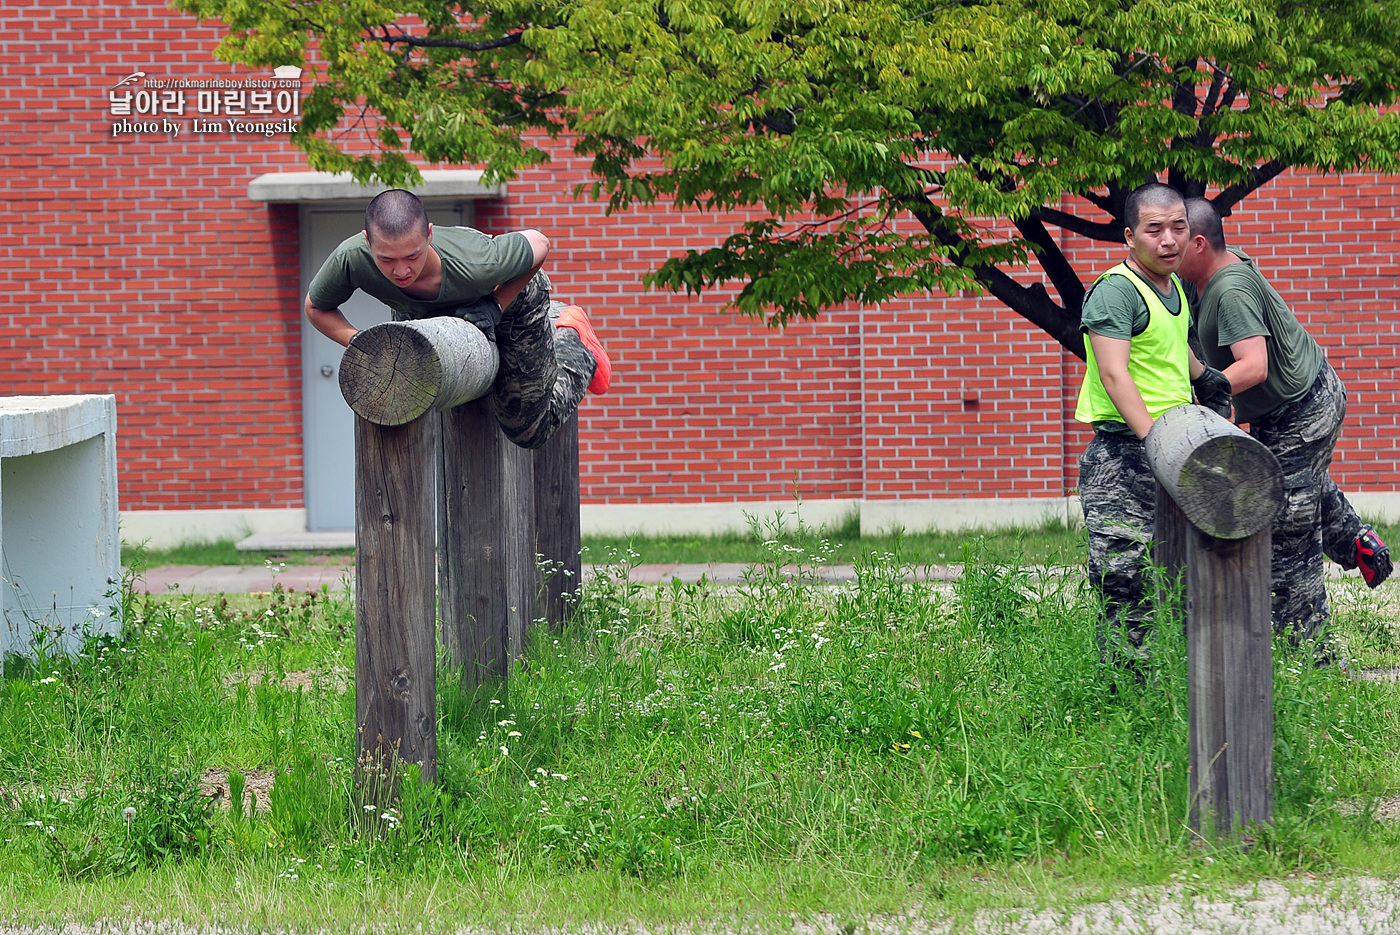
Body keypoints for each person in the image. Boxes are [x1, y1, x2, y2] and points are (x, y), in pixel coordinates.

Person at [1178, 197, 1390, 654]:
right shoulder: (1204, 278)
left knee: (1286, 533)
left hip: (1304, 409)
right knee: (1300, 485)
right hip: (1291, 406)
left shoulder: (1228, 290)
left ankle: (1313, 660)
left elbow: (1253, 365)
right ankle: (1356, 541)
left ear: (1199, 244)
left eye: (1177, 238)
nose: (1167, 247)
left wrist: (1204, 393)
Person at [304, 189, 611, 449]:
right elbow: (316, 307)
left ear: (429, 235)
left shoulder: (478, 262)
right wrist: (360, 343)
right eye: (386, 259)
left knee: (528, 430)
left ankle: (573, 339)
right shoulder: (352, 257)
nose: (401, 271)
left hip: (514, 301)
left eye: (412, 256)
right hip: (430, 315)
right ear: (367, 241)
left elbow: (540, 242)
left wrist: (495, 305)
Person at [1074, 182, 1228, 671]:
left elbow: (1171, 348)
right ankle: (1123, 700)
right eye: (1154, 229)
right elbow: (1114, 373)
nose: (1169, 240)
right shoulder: (1115, 291)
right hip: (1124, 456)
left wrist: (1207, 380)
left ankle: (1173, 684)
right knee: (1125, 580)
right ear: (1128, 236)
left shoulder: (1173, 286)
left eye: (1178, 228)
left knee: (1179, 573)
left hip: (1174, 447)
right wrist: (1153, 439)